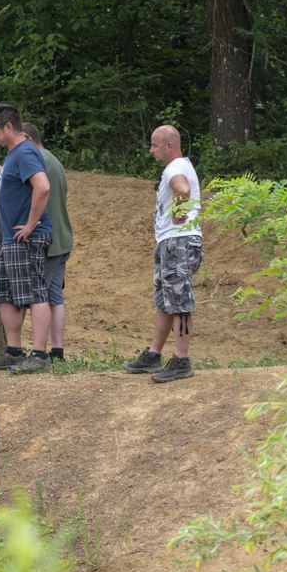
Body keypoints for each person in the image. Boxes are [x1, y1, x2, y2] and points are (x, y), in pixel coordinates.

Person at [0, 104, 53, 372]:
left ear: (8, 127)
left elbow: (43, 187)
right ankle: (14, 352)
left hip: (27, 237)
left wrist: (31, 225)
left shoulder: (24, 152)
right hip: (12, 239)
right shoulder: (14, 154)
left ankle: (40, 355)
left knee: (35, 293)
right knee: (4, 293)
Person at [123, 125, 202, 382]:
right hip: (170, 242)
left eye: (155, 145)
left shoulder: (174, 168)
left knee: (179, 301)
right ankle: (153, 355)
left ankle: (181, 360)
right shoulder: (180, 166)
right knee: (166, 302)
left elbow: (182, 189)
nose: (151, 150)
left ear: (169, 146)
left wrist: (179, 210)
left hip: (178, 242)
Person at [23, 124, 71, 363]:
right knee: (55, 297)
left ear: (29, 140)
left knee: (39, 296)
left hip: (47, 241)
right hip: (62, 239)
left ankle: (39, 352)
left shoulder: (36, 161)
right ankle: (57, 353)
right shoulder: (53, 160)